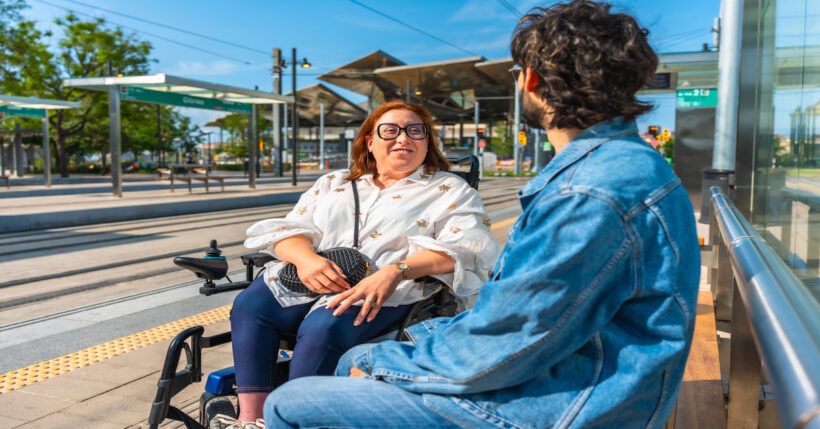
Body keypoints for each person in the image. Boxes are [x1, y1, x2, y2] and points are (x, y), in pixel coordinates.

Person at [263, 1, 700, 428]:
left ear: (531, 80)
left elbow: (508, 343)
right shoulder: (626, 164)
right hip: (595, 378)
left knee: (292, 400)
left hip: (566, 404)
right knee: (358, 359)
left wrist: (387, 365)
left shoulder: (586, 192)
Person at [226, 101, 500, 424]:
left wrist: (396, 272)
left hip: (385, 289)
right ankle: (250, 419)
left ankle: (291, 419)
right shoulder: (335, 182)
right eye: (391, 130)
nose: (403, 138)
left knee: (323, 328)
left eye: (415, 131)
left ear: (427, 142)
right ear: (370, 141)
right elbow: (291, 229)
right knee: (249, 305)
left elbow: (470, 247)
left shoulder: (448, 189)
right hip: (314, 275)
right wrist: (306, 260)